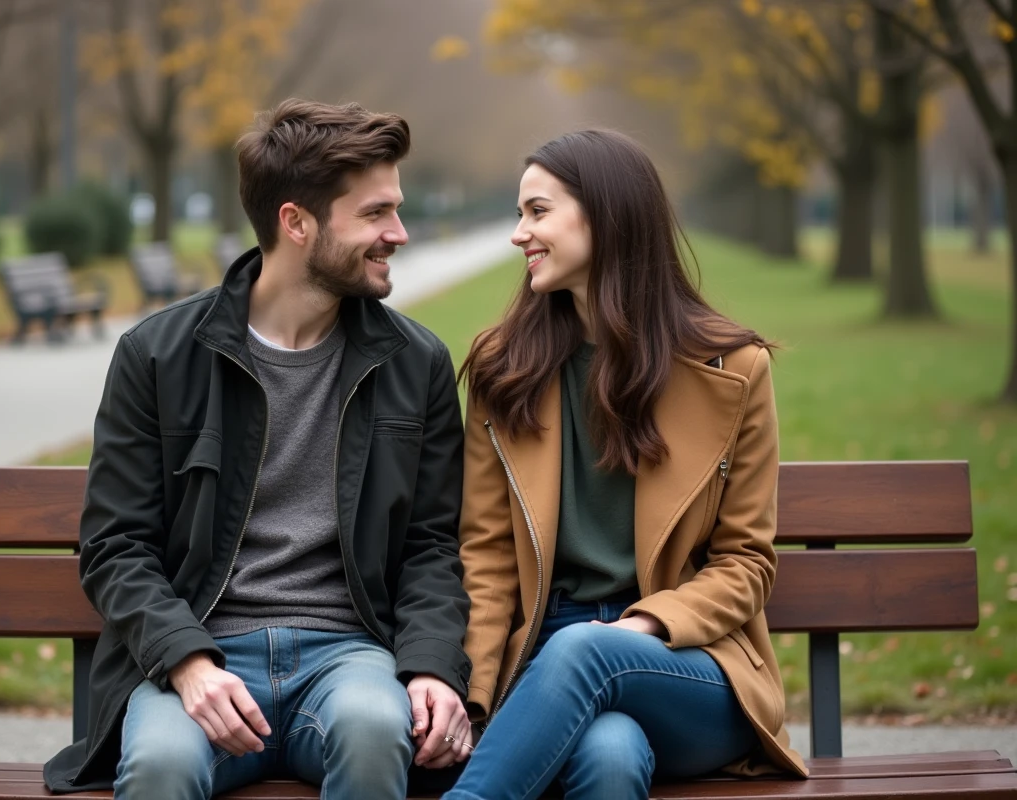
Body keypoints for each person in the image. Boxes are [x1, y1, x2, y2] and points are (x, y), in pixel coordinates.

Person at [43, 99, 473, 799]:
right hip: (199, 652)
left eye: (395, 209)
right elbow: (116, 544)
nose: (398, 232)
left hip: (348, 657)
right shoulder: (157, 356)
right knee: (160, 765)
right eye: (374, 214)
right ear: (296, 222)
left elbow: (430, 546)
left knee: (373, 729)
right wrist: (186, 661)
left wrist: (428, 666)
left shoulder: (415, 362)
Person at [443, 129, 809, 800]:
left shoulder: (732, 371)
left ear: (606, 214)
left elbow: (746, 564)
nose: (519, 233)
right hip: (545, 655)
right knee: (610, 757)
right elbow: (488, 556)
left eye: (538, 211)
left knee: (588, 649)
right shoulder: (505, 368)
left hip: (689, 661)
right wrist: (471, 696)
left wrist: (641, 626)